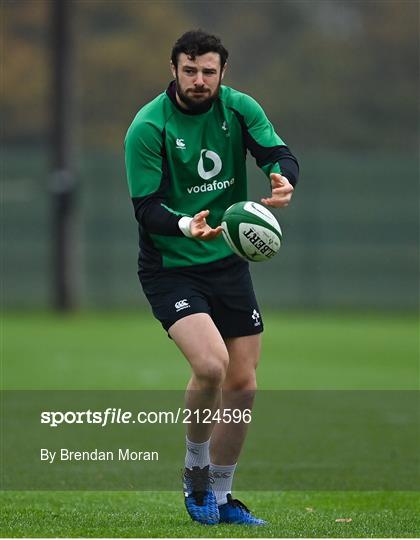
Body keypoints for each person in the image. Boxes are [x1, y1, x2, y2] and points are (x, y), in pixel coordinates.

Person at [124, 29, 299, 526]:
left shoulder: (239, 108)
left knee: (243, 384)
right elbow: (146, 207)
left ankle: (221, 497)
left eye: (208, 71)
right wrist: (185, 224)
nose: (199, 80)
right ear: (174, 69)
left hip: (226, 262)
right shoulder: (148, 126)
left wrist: (284, 177)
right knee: (212, 366)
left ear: (223, 73)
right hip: (171, 266)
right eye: (189, 70)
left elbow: (278, 153)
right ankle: (196, 476)